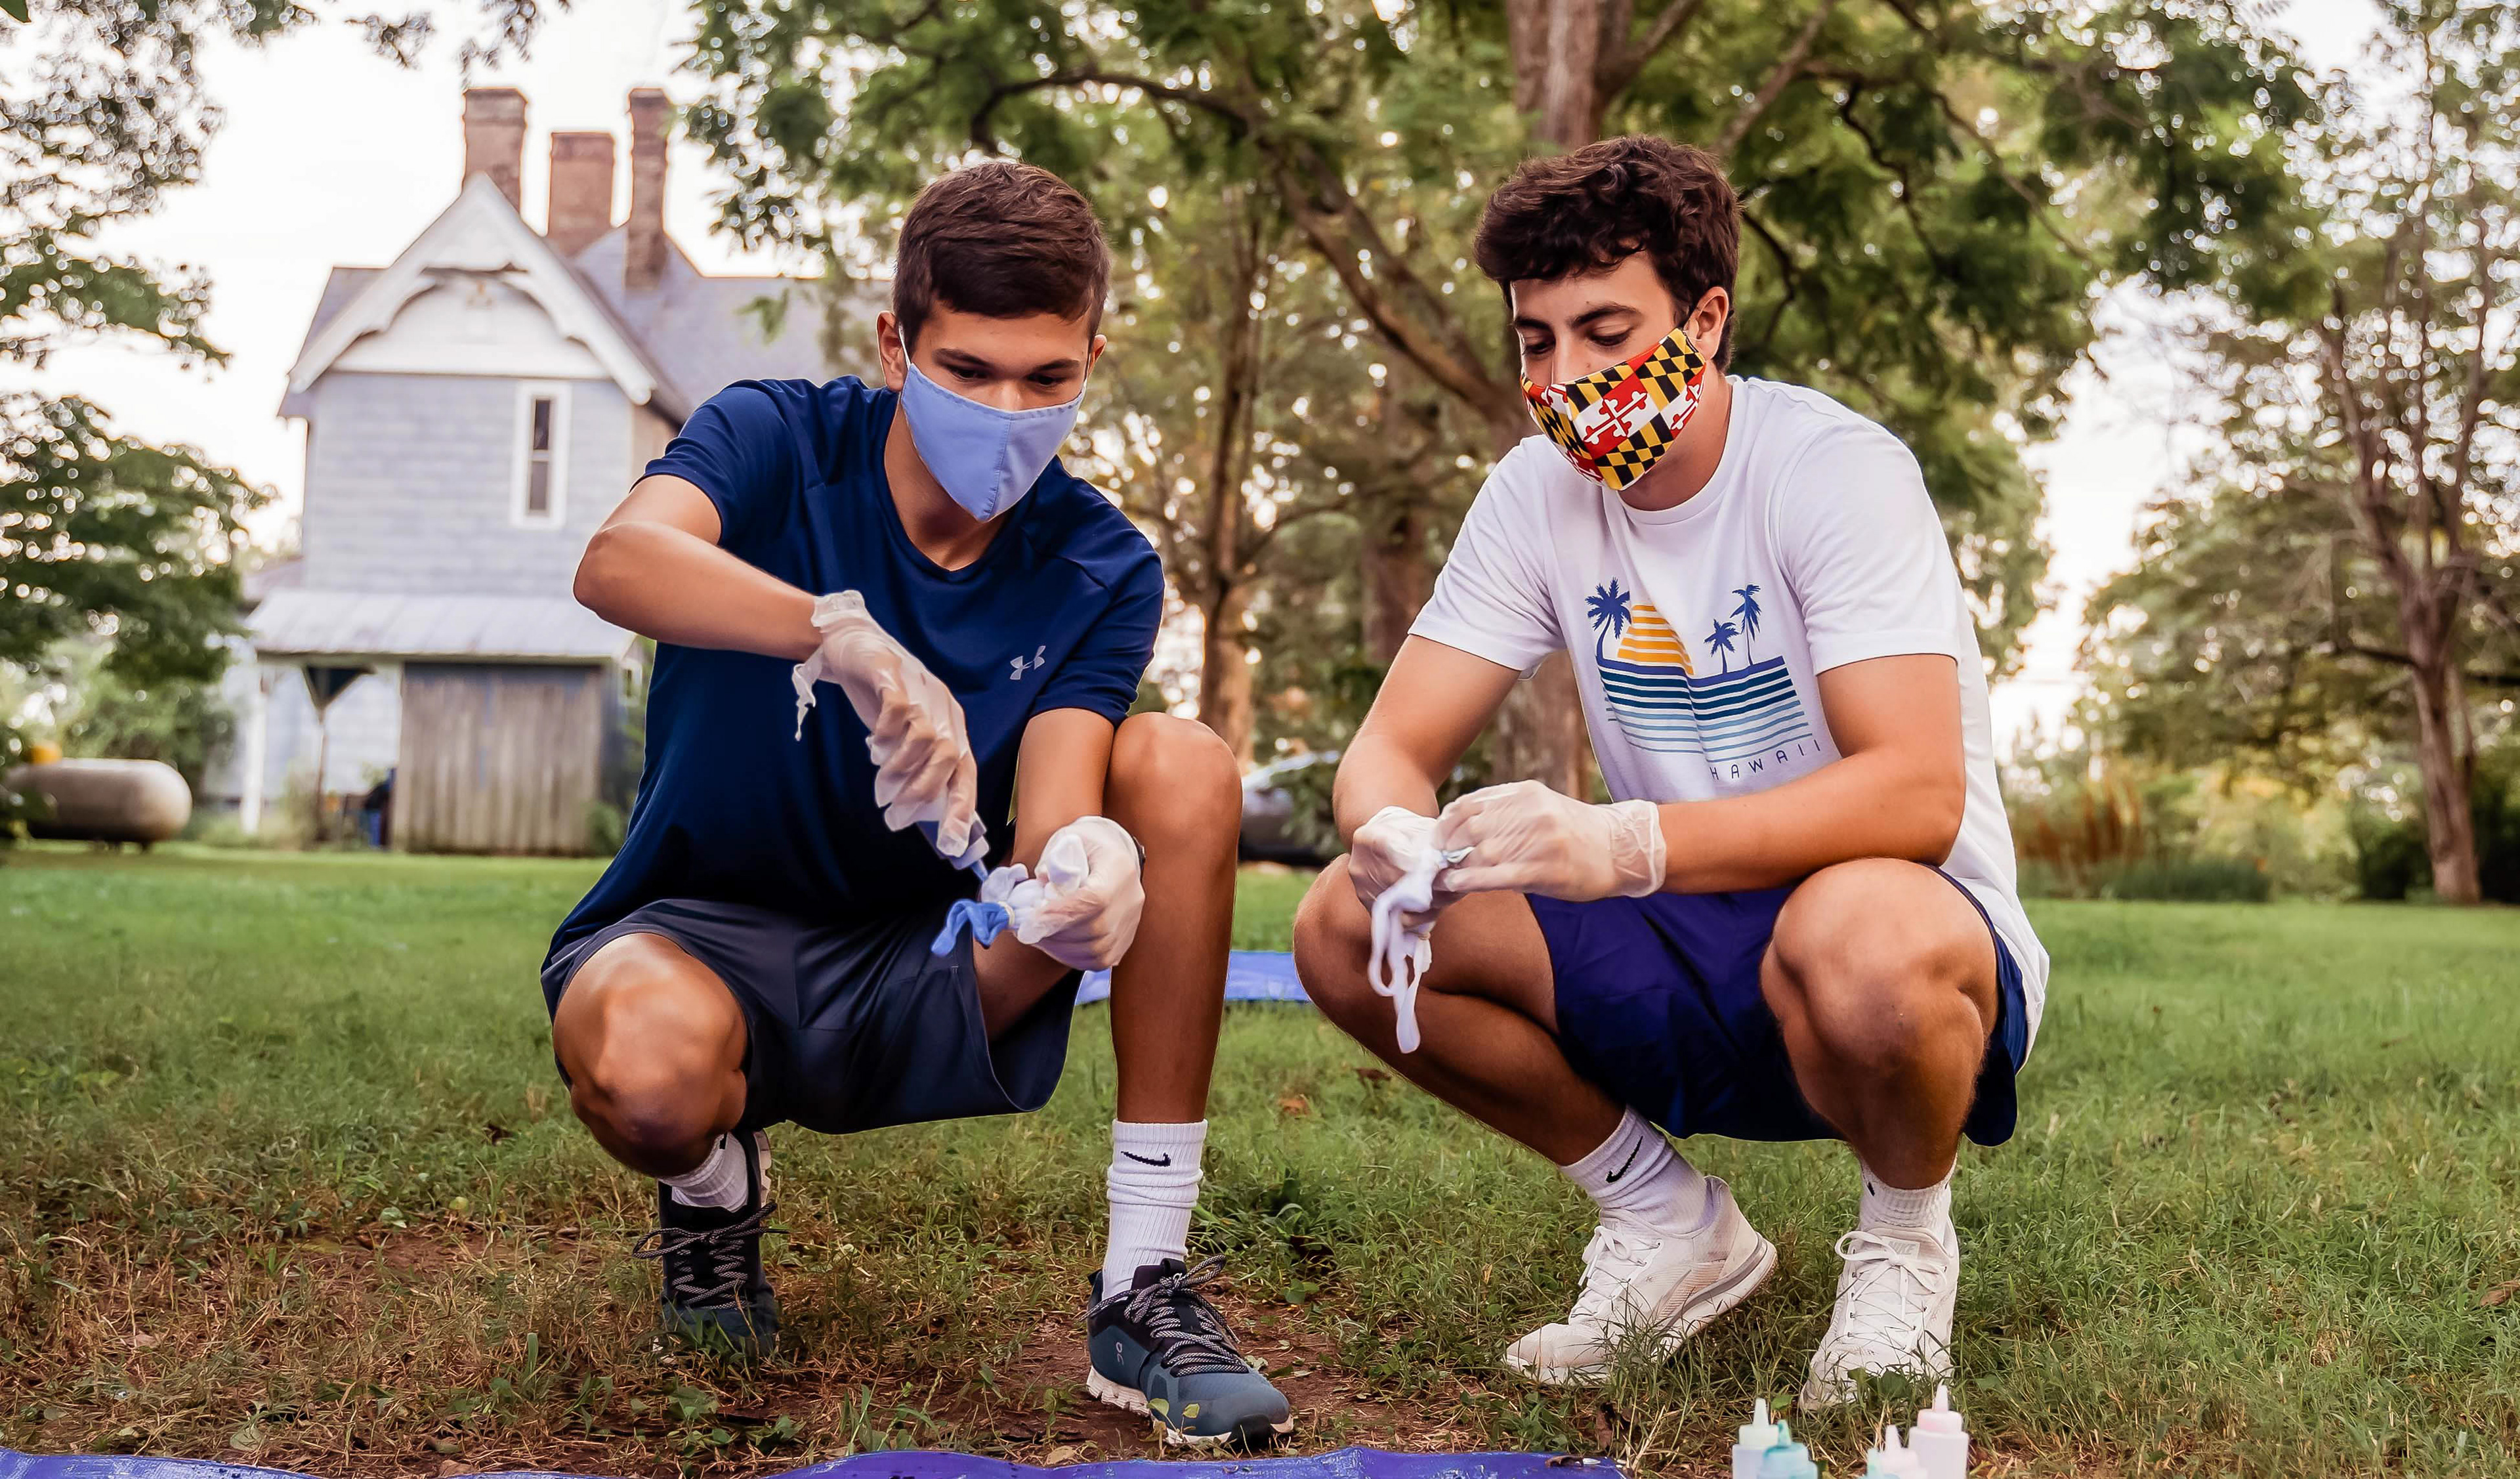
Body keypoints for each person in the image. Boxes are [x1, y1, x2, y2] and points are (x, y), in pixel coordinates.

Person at [1290, 136, 2047, 1407]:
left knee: (1857, 922)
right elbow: (1391, 748)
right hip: (1686, 931)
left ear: (1704, 320)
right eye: (1537, 341)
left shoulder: (1832, 471)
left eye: (1604, 329)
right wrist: (1393, 834)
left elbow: (1916, 792)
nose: (1566, 376)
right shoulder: (1533, 495)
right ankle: (1668, 1222)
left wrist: (1623, 842)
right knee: (1343, 921)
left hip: (1894, 933)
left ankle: (1907, 1239)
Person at [547, 161, 1293, 1448]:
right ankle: (716, 1196)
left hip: (933, 966)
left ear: (1091, 359)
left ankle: (1144, 1280)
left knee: (1178, 764)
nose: (1008, 409)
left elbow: (1059, 808)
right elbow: (617, 559)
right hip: (707, 933)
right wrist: (838, 630)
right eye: (967, 368)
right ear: (897, 344)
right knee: (650, 1075)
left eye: (1047, 378)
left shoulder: (1100, 563)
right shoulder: (777, 437)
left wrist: (1091, 867)